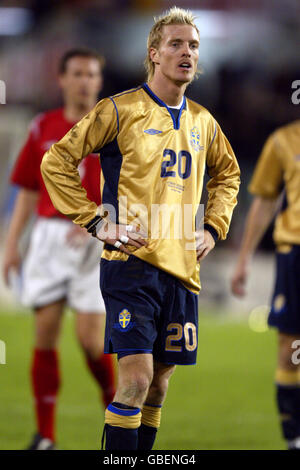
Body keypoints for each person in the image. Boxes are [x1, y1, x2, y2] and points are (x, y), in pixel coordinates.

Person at [41, 7, 240, 450]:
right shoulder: (119, 109)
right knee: (135, 379)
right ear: (154, 53)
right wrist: (95, 219)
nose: (186, 52)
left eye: (193, 45)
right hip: (130, 265)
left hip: (183, 271)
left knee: (158, 386)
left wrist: (212, 228)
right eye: (176, 44)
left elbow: (228, 175)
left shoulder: (204, 122)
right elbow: (56, 161)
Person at [3, 48, 115, 450]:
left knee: (90, 342)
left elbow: (131, 189)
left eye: (92, 73)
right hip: (49, 239)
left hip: (95, 239)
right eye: (78, 73)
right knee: (45, 335)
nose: (85, 80)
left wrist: (100, 217)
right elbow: (28, 192)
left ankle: (116, 416)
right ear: (62, 79)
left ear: (100, 81)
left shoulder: (115, 129)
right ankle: (45, 436)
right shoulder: (42, 127)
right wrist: (11, 245)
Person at [231, 120, 300, 450]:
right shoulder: (284, 141)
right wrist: (244, 258)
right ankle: (294, 440)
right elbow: (265, 200)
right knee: (290, 350)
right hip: (294, 255)